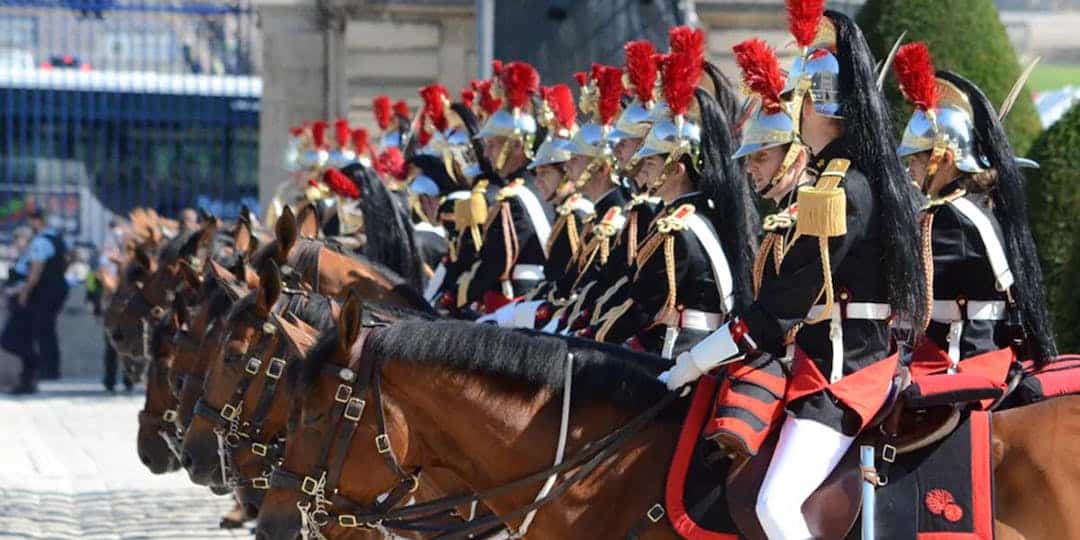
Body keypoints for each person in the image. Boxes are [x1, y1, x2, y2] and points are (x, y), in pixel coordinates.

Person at [660, 8, 927, 539]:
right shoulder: (848, 178)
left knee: (775, 506)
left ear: (818, 106)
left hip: (846, 371)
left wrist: (695, 359)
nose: (794, 111)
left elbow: (784, 303)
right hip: (828, 360)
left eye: (800, 100)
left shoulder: (840, 190)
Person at [591, 31, 758, 359]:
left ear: (677, 168)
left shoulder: (676, 231)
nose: (644, 170)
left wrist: (593, 336)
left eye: (651, 161)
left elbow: (643, 304)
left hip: (680, 349)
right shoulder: (690, 218)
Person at [894, 43, 1057, 375]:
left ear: (945, 159)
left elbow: (905, 283)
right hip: (978, 348)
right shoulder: (976, 205)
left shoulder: (950, 218)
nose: (909, 168)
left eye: (916, 158)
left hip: (959, 358)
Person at [456, 61, 554, 314]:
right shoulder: (528, 188)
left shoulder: (514, 199)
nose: (486, 154)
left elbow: (496, 262)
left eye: (493, 145)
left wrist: (462, 295)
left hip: (518, 299)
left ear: (517, 146)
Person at [7, 209, 71, 393]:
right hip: (54, 290)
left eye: (31, 221)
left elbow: (35, 272)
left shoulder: (42, 241)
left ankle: (46, 369)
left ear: (37, 221)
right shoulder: (56, 239)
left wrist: (24, 293)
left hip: (44, 293)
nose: (29, 225)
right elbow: (67, 259)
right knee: (46, 330)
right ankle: (47, 369)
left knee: (42, 331)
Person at [99, 219, 132, 392]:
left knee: (130, 342)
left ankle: (129, 379)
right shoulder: (107, 254)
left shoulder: (132, 256)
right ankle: (110, 380)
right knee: (111, 343)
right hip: (113, 304)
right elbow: (105, 279)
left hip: (129, 305)